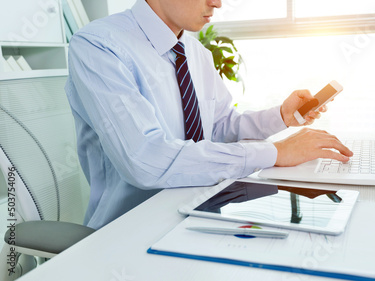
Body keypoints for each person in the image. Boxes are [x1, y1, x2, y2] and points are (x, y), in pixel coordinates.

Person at [65, 0, 353, 229]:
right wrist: (275, 153)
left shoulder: (196, 52)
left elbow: (221, 128)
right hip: (130, 229)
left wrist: (281, 116)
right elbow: (146, 159)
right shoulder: (99, 45)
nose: (217, 3)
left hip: (203, 208)